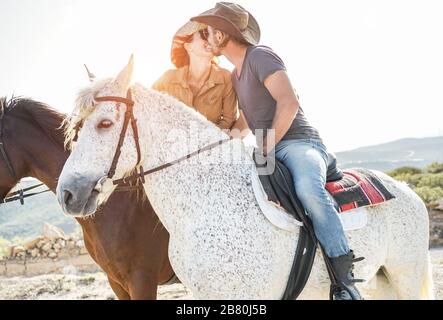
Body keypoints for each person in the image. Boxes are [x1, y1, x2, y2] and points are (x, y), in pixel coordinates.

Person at [191, 2, 363, 300]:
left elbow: (288, 102)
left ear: (221, 34)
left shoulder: (261, 56)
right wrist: (221, 141)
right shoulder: (236, 73)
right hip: (266, 148)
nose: (205, 36)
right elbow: (246, 120)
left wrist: (267, 146)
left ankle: (345, 282)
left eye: (208, 30)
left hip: (299, 144)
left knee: (309, 191)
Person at [153, 20, 238, 130]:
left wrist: (203, 141)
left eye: (211, 36)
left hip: (209, 145)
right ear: (188, 47)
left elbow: (229, 121)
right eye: (204, 35)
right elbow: (149, 108)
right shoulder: (167, 79)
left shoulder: (226, 78)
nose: (210, 40)